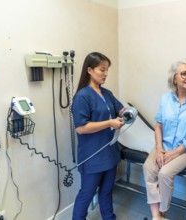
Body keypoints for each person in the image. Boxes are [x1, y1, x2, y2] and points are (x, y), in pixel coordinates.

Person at [143, 59, 186, 220]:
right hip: (165, 145)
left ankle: (162, 212)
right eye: (184, 73)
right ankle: (156, 217)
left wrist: (174, 153)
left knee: (164, 173)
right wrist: (159, 148)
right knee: (148, 168)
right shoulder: (166, 99)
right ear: (175, 78)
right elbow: (158, 125)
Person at [71, 52, 125, 220]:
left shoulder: (106, 93)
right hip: (92, 156)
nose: (106, 74)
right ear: (90, 70)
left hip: (110, 153)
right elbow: (81, 128)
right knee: (86, 195)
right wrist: (109, 123)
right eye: (102, 70)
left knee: (107, 192)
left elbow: (120, 109)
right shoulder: (82, 97)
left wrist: (129, 112)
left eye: (107, 70)